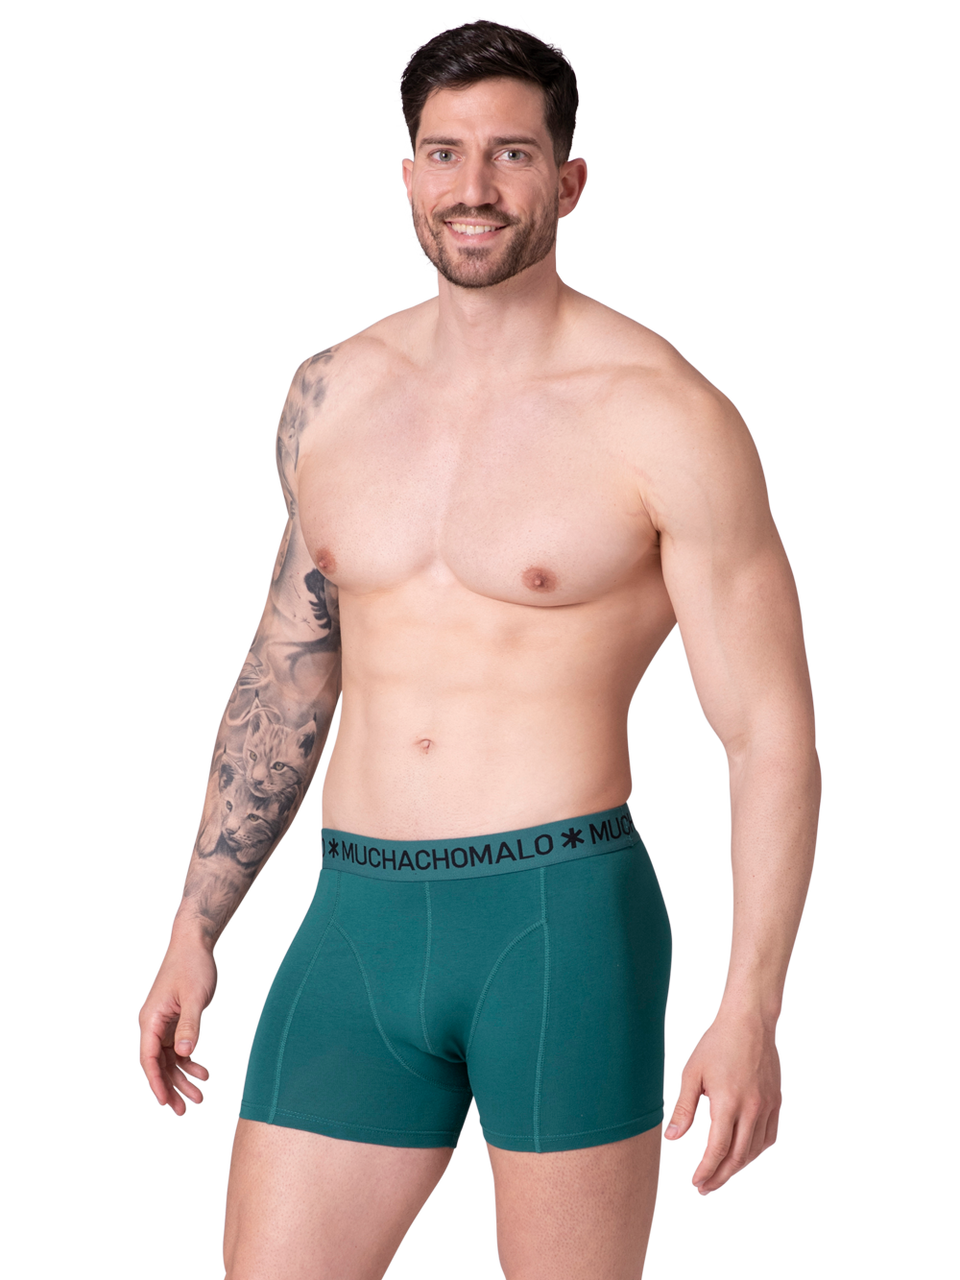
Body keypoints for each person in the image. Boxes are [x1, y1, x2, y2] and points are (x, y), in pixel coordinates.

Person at [137, 15, 822, 1279]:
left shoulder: (665, 411)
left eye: (512, 154)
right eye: (445, 153)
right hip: (352, 912)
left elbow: (769, 732)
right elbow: (287, 669)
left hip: (559, 918)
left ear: (570, 180)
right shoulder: (332, 390)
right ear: (408, 172)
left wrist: (752, 1007)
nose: (474, 187)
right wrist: (195, 917)